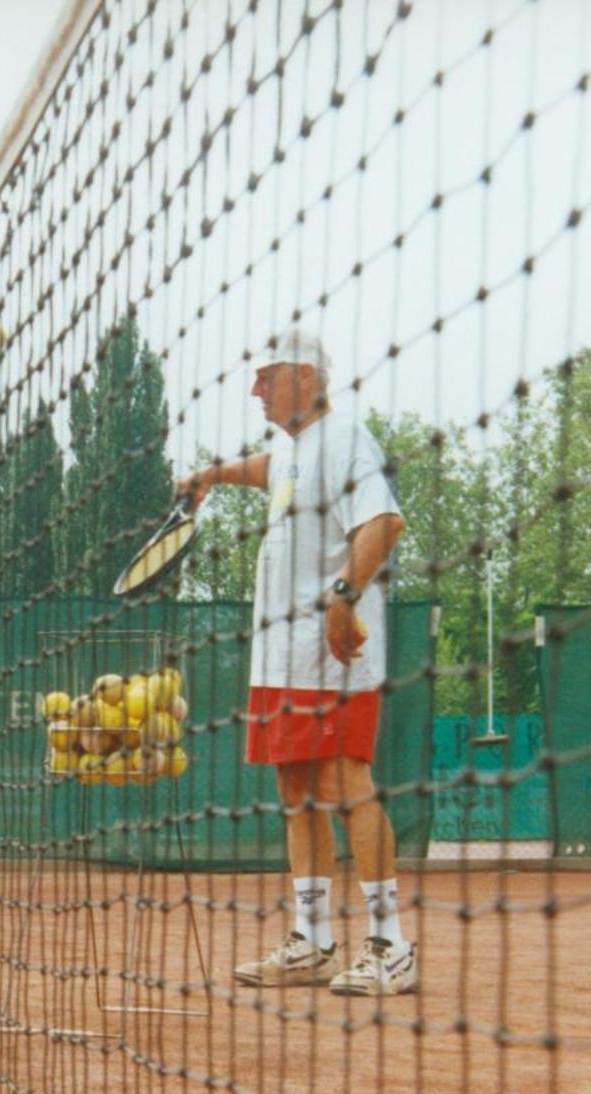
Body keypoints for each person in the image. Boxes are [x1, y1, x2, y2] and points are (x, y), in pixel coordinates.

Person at [177, 330, 414, 996]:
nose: (254, 388)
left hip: (332, 654)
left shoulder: (345, 438)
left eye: (266, 376)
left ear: (306, 377)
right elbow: (268, 470)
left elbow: (384, 522)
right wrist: (213, 474)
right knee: (296, 793)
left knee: (347, 785)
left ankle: (391, 944)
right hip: (280, 658)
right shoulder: (292, 450)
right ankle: (313, 940)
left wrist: (344, 596)